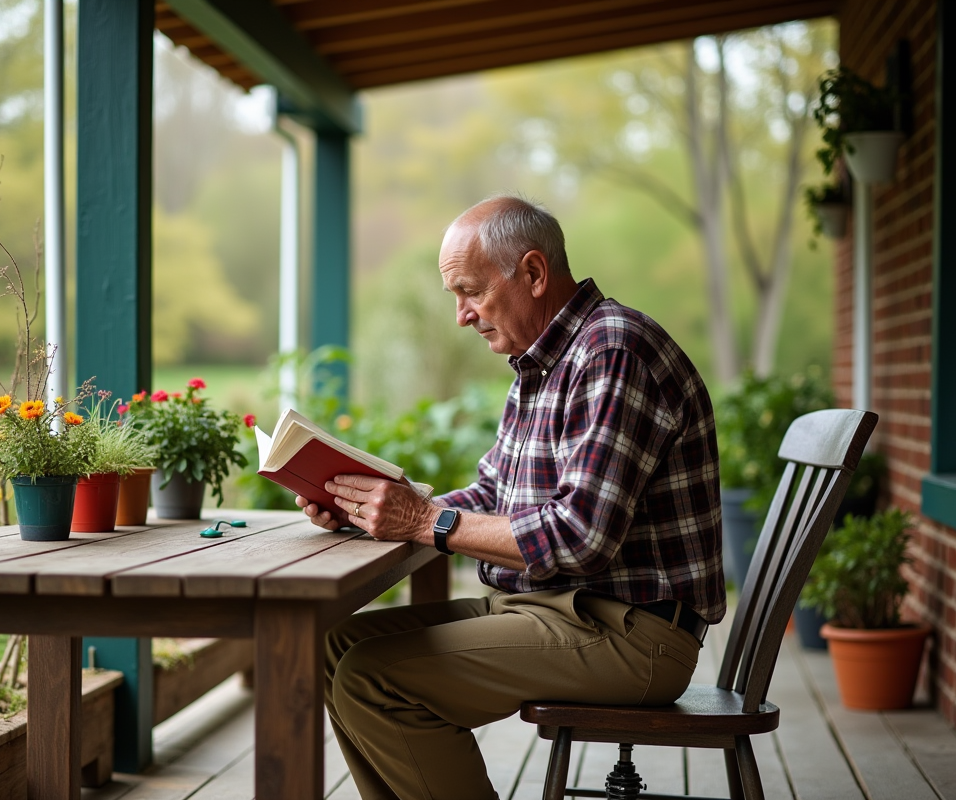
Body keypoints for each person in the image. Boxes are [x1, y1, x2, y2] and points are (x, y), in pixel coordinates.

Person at [296, 195, 724, 800]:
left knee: (373, 678)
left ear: (532, 273)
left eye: (470, 291)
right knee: (337, 647)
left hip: (632, 635)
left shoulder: (612, 351)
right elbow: (493, 491)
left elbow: (581, 536)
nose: (461, 316)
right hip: (556, 608)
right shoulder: (542, 363)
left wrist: (422, 520)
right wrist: (372, 507)